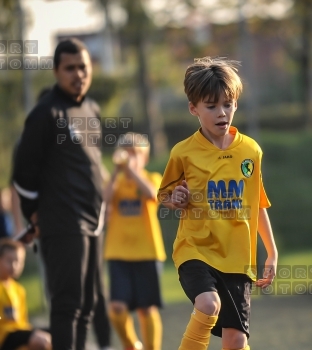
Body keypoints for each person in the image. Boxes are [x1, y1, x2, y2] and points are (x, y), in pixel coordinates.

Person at [157, 56, 278, 350]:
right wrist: (176, 199)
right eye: (211, 106)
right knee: (208, 304)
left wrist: (271, 252)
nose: (222, 113)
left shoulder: (251, 150)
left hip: (237, 258)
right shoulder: (183, 153)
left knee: (235, 341)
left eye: (228, 104)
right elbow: (164, 196)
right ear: (193, 108)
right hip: (195, 250)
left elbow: (256, 203)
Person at [12, 38, 112, 350]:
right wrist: (33, 213)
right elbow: (23, 173)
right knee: (67, 303)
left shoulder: (91, 108)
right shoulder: (45, 114)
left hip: (93, 220)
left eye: (83, 67)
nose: (78, 74)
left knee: (87, 303)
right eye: (70, 68)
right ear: (56, 71)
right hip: (62, 221)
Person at [104, 132, 166, 350]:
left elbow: (152, 194)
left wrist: (132, 171)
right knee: (117, 308)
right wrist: (116, 174)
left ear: (145, 158)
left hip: (147, 251)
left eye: (135, 153)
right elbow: (105, 199)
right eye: (126, 153)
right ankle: (131, 345)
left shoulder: (153, 178)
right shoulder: (115, 182)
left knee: (147, 308)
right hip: (118, 252)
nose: (130, 158)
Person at [0, 238, 52, 350]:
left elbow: (23, 322)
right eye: (9, 261)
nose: (14, 266)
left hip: (19, 332)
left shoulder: (19, 290)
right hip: (4, 336)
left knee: (56, 333)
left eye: (18, 262)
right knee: (40, 340)